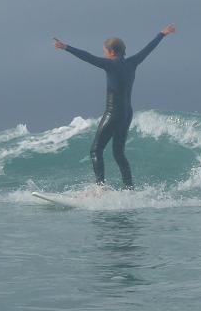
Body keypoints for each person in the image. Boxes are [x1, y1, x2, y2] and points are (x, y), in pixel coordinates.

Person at [53, 24, 176, 188]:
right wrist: (162, 34)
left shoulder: (110, 64)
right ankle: (129, 188)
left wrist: (65, 47)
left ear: (111, 52)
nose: (103, 53)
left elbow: (88, 57)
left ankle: (100, 188)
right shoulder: (133, 62)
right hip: (126, 113)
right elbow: (148, 48)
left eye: (104, 51)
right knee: (118, 153)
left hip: (113, 113)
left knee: (95, 150)